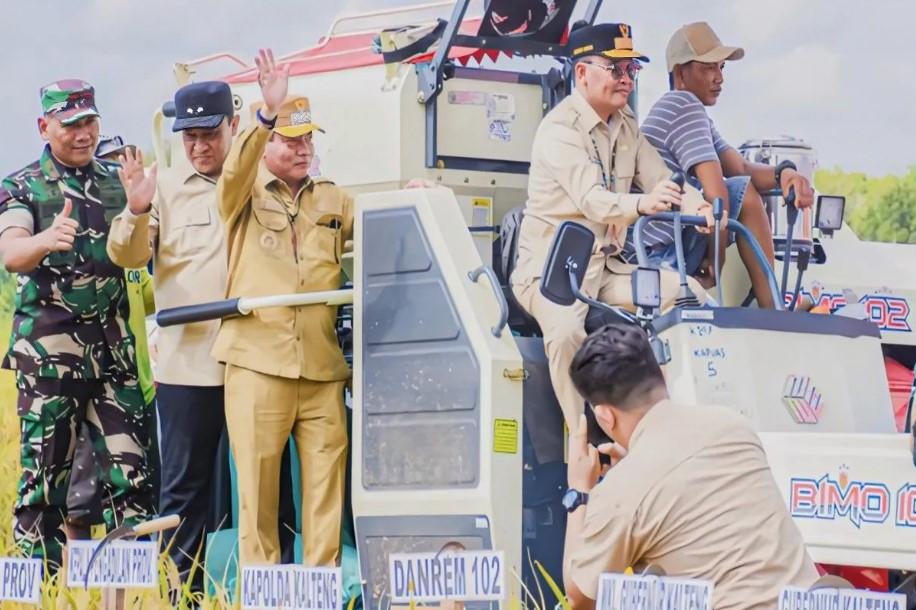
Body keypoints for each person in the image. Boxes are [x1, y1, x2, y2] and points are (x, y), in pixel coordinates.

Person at [107, 81, 296, 589]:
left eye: (209, 134)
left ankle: (276, 592)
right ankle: (180, 596)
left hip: (258, 362)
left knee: (269, 489)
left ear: (233, 126)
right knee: (184, 494)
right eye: (189, 136)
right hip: (190, 365)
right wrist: (135, 209)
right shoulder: (162, 187)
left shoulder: (265, 179)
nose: (198, 146)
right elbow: (127, 256)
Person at [510, 23, 712, 431]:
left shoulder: (625, 123)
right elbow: (593, 201)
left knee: (689, 295)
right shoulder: (560, 130)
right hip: (553, 273)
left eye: (631, 69)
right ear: (582, 73)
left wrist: (699, 204)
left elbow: (660, 176)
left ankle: (685, 422)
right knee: (566, 333)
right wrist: (643, 204)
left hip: (606, 270)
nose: (626, 79)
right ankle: (578, 445)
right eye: (615, 69)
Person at [0, 79, 154, 569]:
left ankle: (130, 593)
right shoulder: (22, 186)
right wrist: (44, 240)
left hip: (113, 357)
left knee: (132, 480)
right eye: (70, 125)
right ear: (43, 127)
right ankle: (35, 591)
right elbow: (11, 252)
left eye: (90, 122)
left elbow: (142, 253)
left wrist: (139, 207)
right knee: (43, 486)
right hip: (50, 360)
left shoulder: (118, 180)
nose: (84, 133)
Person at [562, 323, 819, 610]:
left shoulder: (623, 488)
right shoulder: (733, 425)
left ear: (605, 417)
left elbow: (580, 597)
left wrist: (579, 493)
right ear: (664, 375)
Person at [212, 49, 351, 567]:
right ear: (267, 142)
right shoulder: (242, 193)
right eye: (290, 140)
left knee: (326, 491)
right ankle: (263, 594)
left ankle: (322, 589)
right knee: (257, 494)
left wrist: (415, 195)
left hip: (320, 368)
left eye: (307, 138)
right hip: (258, 363)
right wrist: (266, 113)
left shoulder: (332, 198)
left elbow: (380, 226)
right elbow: (233, 171)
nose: (302, 148)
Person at [622, 22, 814, 308]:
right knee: (741, 195)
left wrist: (785, 173)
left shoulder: (687, 111)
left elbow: (742, 169)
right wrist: (716, 262)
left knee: (742, 189)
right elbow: (717, 197)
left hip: (666, 241)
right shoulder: (683, 106)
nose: (719, 78)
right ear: (680, 73)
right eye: (708, 68)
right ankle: (773, 309)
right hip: (651, 253)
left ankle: (771, 307)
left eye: (721, 67)